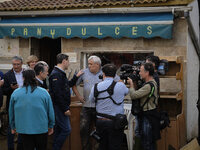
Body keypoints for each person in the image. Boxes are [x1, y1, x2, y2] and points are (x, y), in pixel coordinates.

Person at [72, 55, 119, 150]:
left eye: (91, 64)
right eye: (88, 63)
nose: (88, 66)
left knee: (100, 130)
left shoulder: (106, 72)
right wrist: (79, 96)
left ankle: (98, 148)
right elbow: (73, 84)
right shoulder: (83, 72)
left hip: (101, 108)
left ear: (97, 64)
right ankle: (86, 148)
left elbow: (119, 82)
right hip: (86, 107)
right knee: (83, 129)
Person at [9, 69, 55, 150]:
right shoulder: (44, 92)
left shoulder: (16, 93)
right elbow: (50, 111)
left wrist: (13, 126)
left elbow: (11, 112)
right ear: (35, 77)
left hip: (23, 129)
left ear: (23, 78)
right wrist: (51, 125)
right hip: (41, 128)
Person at [89, 64, 129, 150]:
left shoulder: (96, 86)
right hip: (116, 122)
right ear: (115, 75)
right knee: (115, 146)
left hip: (100, 122)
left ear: (103, 73)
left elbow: (91, 100)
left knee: (102, 146)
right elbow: (127, 92)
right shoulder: (121, 85)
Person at [49, 53, 83, 150]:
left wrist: (76, 76)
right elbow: (57, 94)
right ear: (64, 61)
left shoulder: (60, 73)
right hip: (59, 108)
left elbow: (67, 85)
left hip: (61, 107)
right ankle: (55, 147)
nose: (69, 64)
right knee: (66, 129)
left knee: (59, 130)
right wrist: (65, 109)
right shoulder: (56, 74)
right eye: (68, 61)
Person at [127, 62, 160, 150]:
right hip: (148, 115)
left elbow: (134, 95)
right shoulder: (149, 83)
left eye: (141, 71)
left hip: (147, 117)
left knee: (147, 142)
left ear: (147, 73)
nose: (139, 73)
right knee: (147, 141)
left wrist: (131, 85)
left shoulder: (149, 85)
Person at [2, 56, 24, 150]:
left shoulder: (26, 74)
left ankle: (21, 146)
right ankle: (10, 148)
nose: (16, 66)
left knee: (23, 126)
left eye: (18, 64)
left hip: (25, 103)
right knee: (11, 126)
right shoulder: (7, 75)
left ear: (21, 64)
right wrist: (11, 88)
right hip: (13, 104)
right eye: (14, 64)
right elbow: (4, 91)